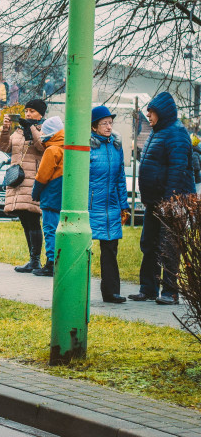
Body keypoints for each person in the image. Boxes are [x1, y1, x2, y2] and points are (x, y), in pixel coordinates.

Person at [130, 92, 194, 305]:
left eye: (151, 112)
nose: (148, 116)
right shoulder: (157, 132)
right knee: (149, 244)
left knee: (169, 247)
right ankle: (148, 288)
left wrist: (169, 202)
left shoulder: (176, 134)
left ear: (162, 112)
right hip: (154, 202)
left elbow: (177, 171)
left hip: (170, 203)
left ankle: (170, 292)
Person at [0, 99, 46, 273]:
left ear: (41, 114)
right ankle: (33, 260)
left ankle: (36, 260)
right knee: (25, 220)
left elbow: (42, 146)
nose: (28, 114)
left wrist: (31, 128)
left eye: (32, 111)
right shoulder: (18, 132)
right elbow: (4, 147)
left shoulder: (44, 130)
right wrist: (5, 129)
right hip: (17, 181)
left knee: (33, 220)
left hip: (33, 180)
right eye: (26, 111)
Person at [88, 106, 129, 304]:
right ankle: (78, 289)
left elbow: (120, 177)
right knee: (83, 249)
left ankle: (111, 292)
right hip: (91, 206)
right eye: (104, 123)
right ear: (94, 127)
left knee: (111, 250)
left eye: (110, 123)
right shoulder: (87, 147)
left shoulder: (116, 147)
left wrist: (124, 205)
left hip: (111, 207)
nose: (109, 126)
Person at [30, 117, 65, 277]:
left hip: (51, 195)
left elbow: (42, 175)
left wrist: (35, 192)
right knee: (59, 229)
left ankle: (51, 262)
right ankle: (60, 260)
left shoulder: (52, 150)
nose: (41, 134)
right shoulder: (66, 147)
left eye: (44, 131)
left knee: (50, 229)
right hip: (62, 195)